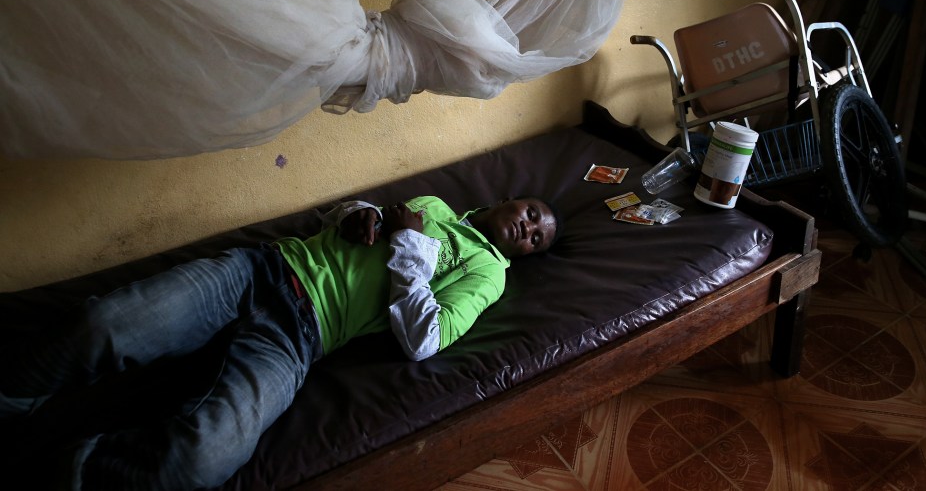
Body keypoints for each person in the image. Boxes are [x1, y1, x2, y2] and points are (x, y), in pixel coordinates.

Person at [0, 195, 560, 489]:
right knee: (101, 325)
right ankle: (10, 396)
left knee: (205, 457)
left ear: (526, 254)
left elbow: (424, 338)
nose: (529, 228)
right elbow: (342, 219)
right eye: (532, 213)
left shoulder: (489, 272)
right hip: (262, 270)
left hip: (299, 338)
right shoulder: (434, 205)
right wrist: (358, 215)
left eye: (537, 238)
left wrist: (410, 246)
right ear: (508, 199)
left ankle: (74, 470)